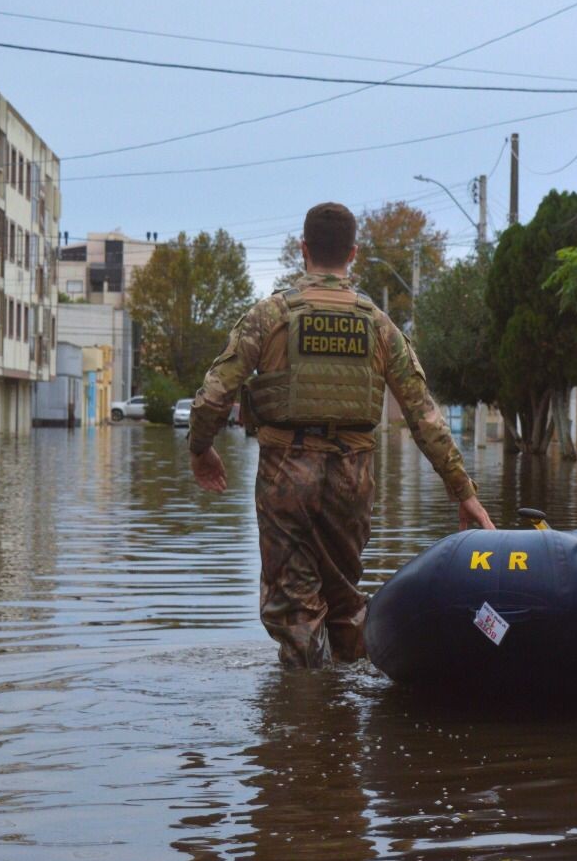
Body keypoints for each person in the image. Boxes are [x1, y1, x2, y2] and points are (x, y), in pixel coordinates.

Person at [188, 202, 494, 668]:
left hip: (285, 475)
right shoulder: (378, 325)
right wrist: (463, 491)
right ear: (352, 253)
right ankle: (346, 715)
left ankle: (302, 718)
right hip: (353, 480)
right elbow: (424, 415)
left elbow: (213, 396)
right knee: (346, 602)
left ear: (302, 248)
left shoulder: (269, 316)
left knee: (295, 610)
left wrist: (202, 449)